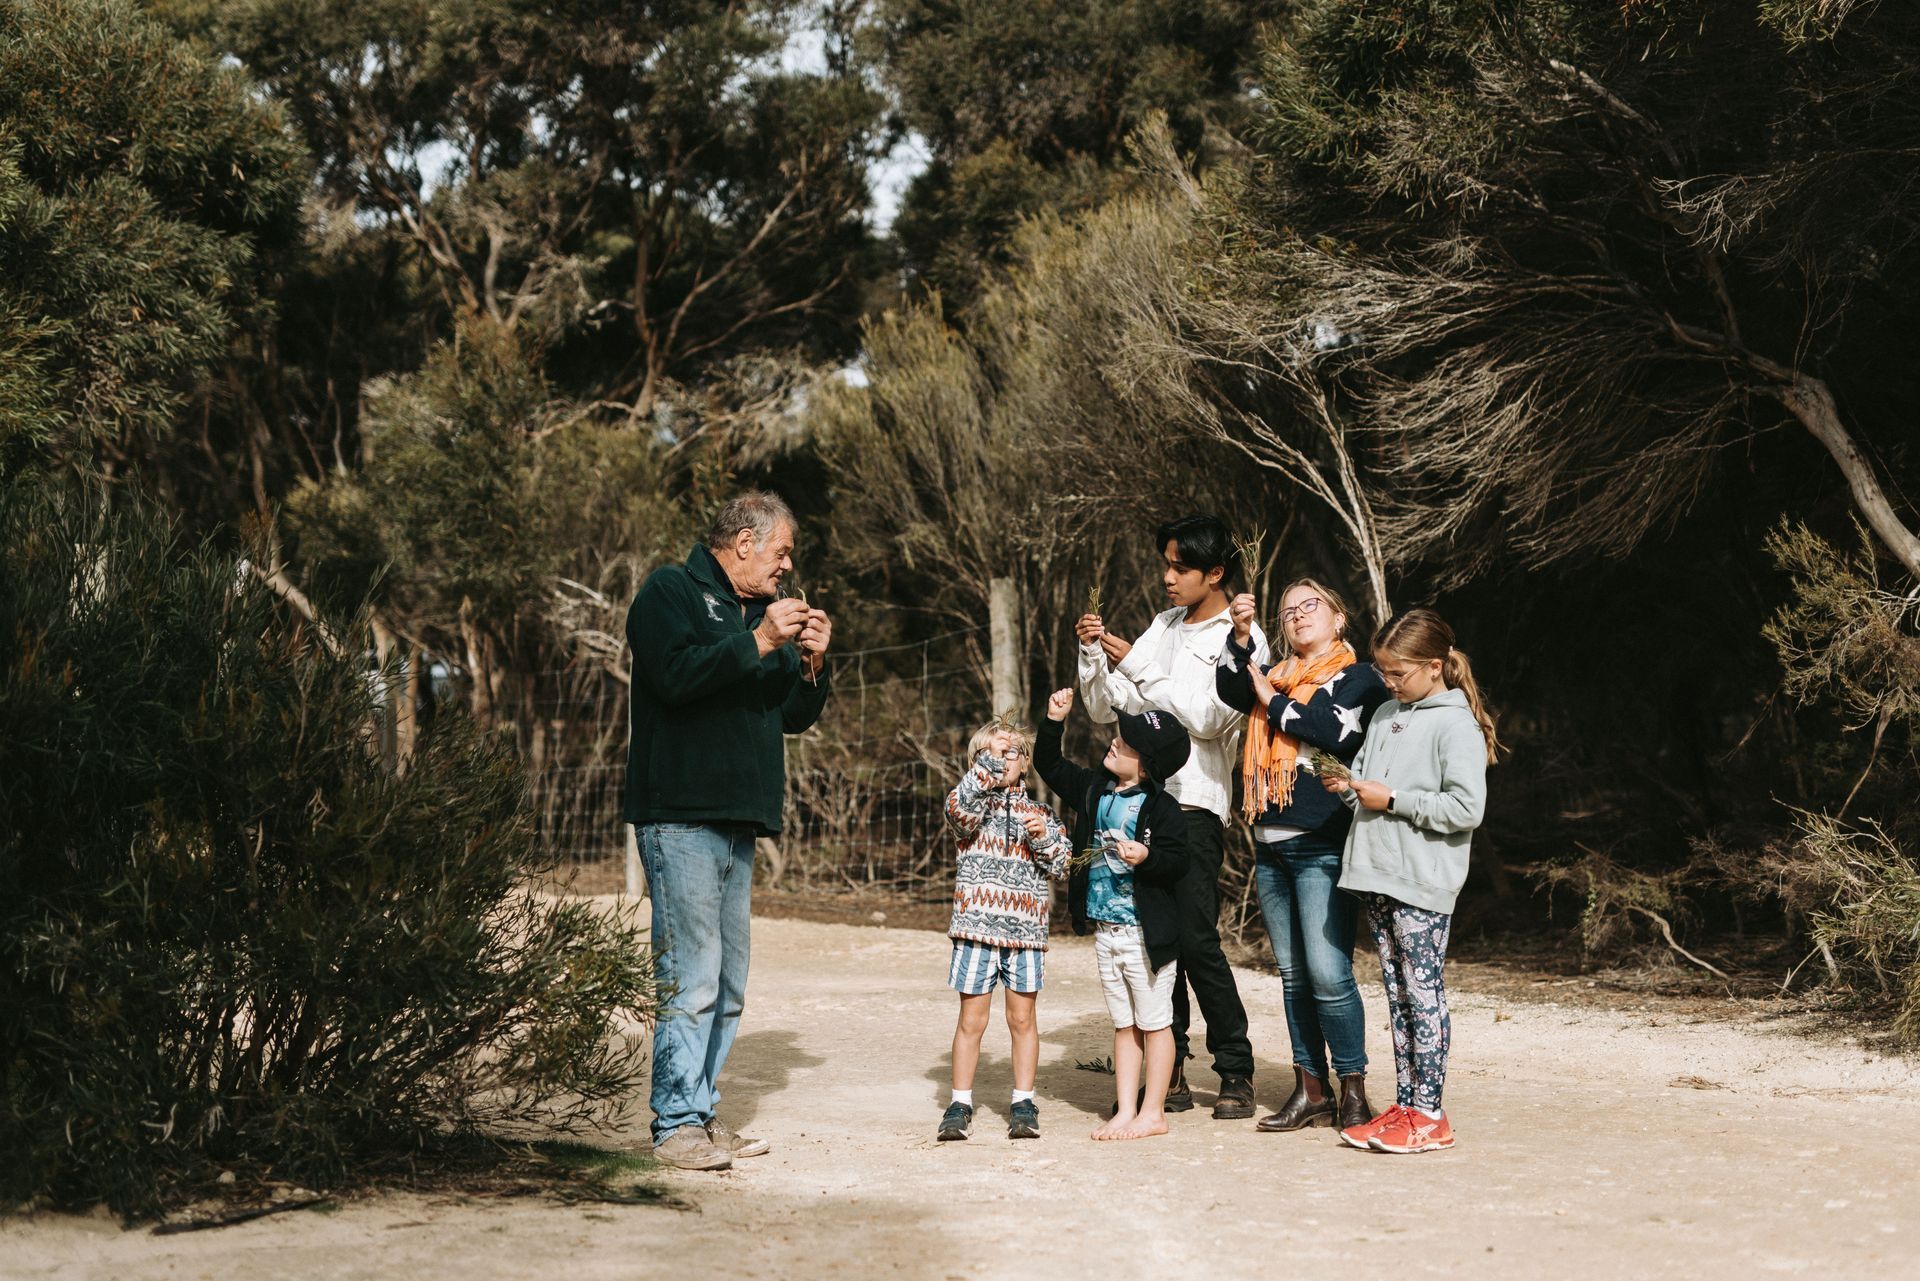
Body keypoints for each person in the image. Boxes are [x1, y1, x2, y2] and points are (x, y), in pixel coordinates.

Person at [623, 492, 833, 1171]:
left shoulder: (756, 616)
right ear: (743, 543)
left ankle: (701, 1113)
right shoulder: (670, 590)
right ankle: (675, 1124)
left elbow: (790, 714)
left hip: (739, 823)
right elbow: (676, 676)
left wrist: (810, 663)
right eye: (781, 551)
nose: (788, 565)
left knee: (729, 982)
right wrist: (763, 639)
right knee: (691, 977)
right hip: (679, 816)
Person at [1076, 514, 1266, 1119]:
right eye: (1165, 564)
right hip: (1140, 803)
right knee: (1152, 940)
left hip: (1194, 804)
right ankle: (1170, 1072)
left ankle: (1235, 1069)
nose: (1167, 578)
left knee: (1194, 938)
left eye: (1180, 567)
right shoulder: (1161, 625)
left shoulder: (1243, 639)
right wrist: (1094, 662)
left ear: (1215, 574)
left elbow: (1210, 719)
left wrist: (1137, 665)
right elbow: (1118, 711)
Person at [1323, 608, 1500, 1155]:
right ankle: (1405, 1105)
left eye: (1398, 673)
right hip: (1376, 874)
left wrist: (1394, 800)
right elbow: (1376, 785)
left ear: (1434, 666)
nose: (1389, 683)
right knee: (1398, 995)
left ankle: (1430, 1114)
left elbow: (1467, 808)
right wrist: (1351, 787)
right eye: (1384, 673)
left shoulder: (1456, 723)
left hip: (1421, 880)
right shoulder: (1386, 717)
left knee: (1424, 995)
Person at [1217, 578, 1389, 1134]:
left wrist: (1273, 700)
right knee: (1293, 977)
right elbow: (1229, 687)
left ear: (1339, 618)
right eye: (1287, 611)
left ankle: (1353, 1089)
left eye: (1310, 605)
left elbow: (1331, 732)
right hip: (1271, 848)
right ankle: (1309, 1090)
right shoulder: (1274, 676)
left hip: (1321, 843)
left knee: (1329, 972)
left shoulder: (1361, 678)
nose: (1297, 616)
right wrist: (1242, 634)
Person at [1036, 688, 1193, 1140]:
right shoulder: (1094, 791)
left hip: (1146, 935)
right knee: (1124, 1024)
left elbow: (1179, 860)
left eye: (1127, 743)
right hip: (1107, 932)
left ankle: (1154, 1112)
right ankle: (1126, 1109)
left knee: (1155, 1021)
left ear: (1147, 765)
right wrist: (1053, 721)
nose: (1115, 743)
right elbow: (1049, 764)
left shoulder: (1161, 808)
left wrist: (1147, 856)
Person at [936, 716, 1072, 1142]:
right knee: (971, 1020)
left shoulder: (1042, 813)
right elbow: (957, 812)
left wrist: (1044, 836)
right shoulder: (973, 804)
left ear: (1026, 763)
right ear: (976, 760)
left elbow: (1062, 865)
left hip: (1026, 935)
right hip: (976, 929)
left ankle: (1023, 1101)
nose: (1002, 760)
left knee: (1022, 1019)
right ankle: (959, 1102)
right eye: (992, 752)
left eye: (1011, 752)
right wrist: (985, 769)